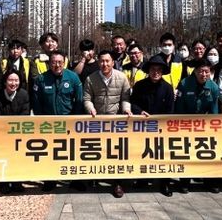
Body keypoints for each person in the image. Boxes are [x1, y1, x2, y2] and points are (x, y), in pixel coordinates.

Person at [83, 50, 132, 198]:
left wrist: (126, 109)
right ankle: (94, 177)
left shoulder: (121, 77)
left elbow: (125, 98)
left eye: (107, 61)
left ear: (112, 62)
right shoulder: (91, 79)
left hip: (116, 121)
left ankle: (117, 183)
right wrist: (91, 109)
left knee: (116, 152)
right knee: (96, 149)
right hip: (96, 120)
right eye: (102, 61)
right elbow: (87, 98)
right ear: (98, 62)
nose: (104, 64)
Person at [31, 50, 82, 191]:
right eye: (54, 62)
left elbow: (79, 100)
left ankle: (75, 180)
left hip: (69, 124)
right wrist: (41, 121)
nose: (57, 65)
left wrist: (75, 120)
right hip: (49, 124)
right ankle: (50, 179)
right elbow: (36, 102)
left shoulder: (73, 78)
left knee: (72, 152)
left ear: (64, 62)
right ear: (49, 63)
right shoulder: (41, 79)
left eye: (60, 62)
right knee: (50, 153)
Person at [130, 56, 174, 197]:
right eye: (153, 69)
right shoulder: (139, 85)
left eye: (159, 70)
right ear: (148, 71)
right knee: (143, 153)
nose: (156, 72)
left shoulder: (167, 88)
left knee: (163, 155)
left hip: (161, 128)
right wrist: (140, 112)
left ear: (162, 71)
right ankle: (142, 179)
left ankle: (164, 183)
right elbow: (133, 103)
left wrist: (161, 121)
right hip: (142, 126)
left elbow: (170, 110)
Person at [174, 59, 221, 194]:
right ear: (195, 72)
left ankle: (209, 182)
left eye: (206, 71)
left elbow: (214, 110)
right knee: (187, 154)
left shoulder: (213, 87)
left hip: (204, 126)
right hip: (186, 124)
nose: (203, 74)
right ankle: (184, 182)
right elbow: (180, 107)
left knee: (206, 153)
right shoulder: (185, 83)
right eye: (200, 71)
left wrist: (213, 127)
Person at [0, 71, 29, 194]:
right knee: (3, 157)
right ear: (4, 82)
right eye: (10, 80)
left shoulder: (24, 95)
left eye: (16, 80)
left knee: (17, 157)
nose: (13, 83)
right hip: (2, 134)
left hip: (18, 133)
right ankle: (3, 182)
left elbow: (25, 114)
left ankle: (17, 181)